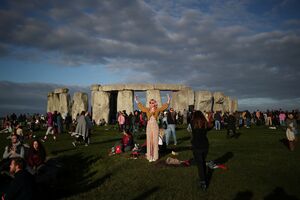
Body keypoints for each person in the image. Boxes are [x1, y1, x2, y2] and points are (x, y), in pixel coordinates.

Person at [135, 94, 170, 162]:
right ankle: (149, 156)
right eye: (150, 102)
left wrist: (168, 101)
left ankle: (155, 157)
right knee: (149, 140)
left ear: (155, 103)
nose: (151, 104)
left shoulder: (157, 109)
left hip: (155, 125)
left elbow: (164, 107)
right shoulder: (147, 109)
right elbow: (141, 107)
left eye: (152, 102)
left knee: (155, 141)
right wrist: (137, 101)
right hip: (149, 125)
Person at [191, 110, 213, 191]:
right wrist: (209, 117)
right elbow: (210, 126)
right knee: (202, 162)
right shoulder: (205, 124)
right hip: (205, 145)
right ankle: (203, 177)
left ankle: (203, 181)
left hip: (197, 145)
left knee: (200, 164)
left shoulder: (192, 123)